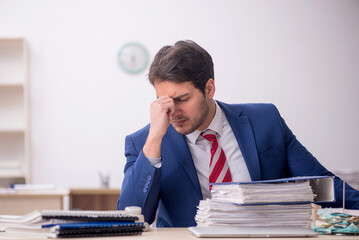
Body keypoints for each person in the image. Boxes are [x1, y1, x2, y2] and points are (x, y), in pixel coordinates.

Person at [117, 40, 359, 227]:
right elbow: (133, 217)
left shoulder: (265, 121)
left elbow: (320, 186)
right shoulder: (144, 143)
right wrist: (154, 142)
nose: (173, 111)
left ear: (209, 88)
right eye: (164, 101)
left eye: (182, 99)